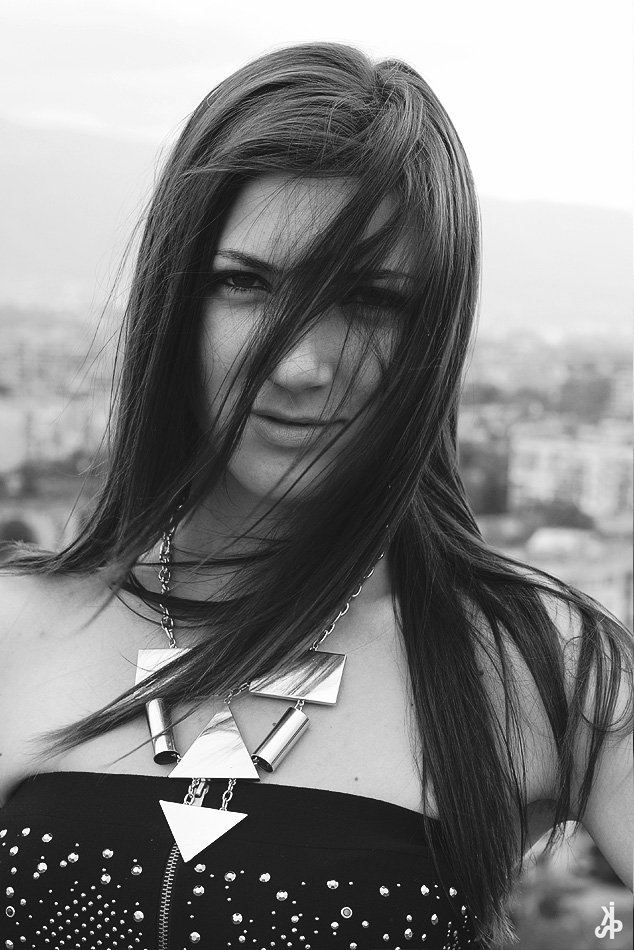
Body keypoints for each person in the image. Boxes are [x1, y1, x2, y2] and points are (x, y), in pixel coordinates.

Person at [0, 43, 631, 950]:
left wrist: (594, 933)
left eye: (371, 300)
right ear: (177, 301)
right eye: (246, 285)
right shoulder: (17, 631)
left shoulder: (536, 664)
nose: (301, 365)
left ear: (434, 333)